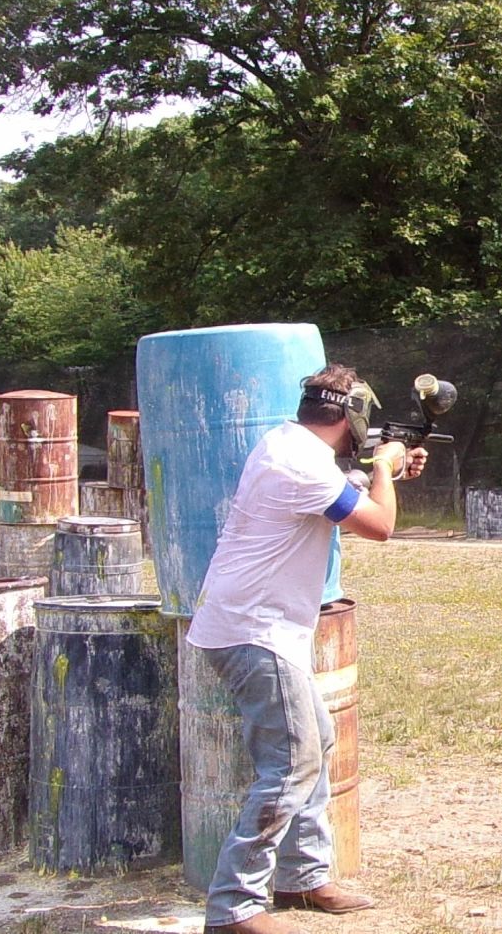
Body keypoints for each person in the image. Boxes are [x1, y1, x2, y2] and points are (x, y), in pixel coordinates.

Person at [187, 363, 428, 934]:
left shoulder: (288, 445)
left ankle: (302, 876)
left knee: (313, 740)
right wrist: (384, 469)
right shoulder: (301, 464)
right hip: (255, 630)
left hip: (254, 624)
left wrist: (386, 470)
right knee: (291, 762)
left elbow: (340, 496)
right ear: (351, 417)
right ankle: (235, 906)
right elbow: (379, 526)